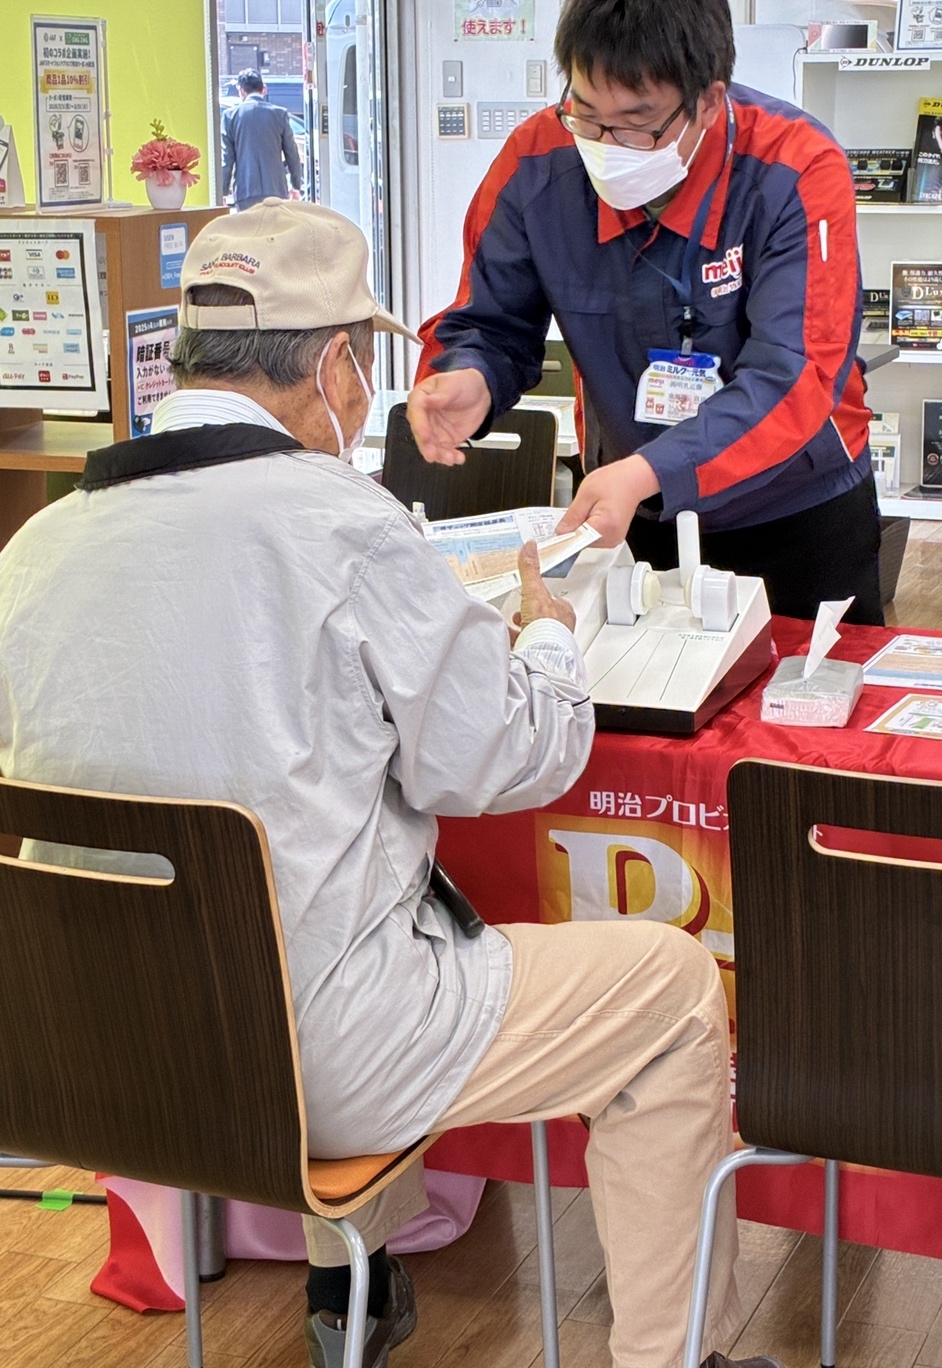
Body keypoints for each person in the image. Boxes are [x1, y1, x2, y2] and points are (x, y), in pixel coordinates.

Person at [0, 198, 781, 1368]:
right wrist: (548, 637)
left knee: (345, 893)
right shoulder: (342, 525)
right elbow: (513, 758)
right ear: (336, 366)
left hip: (80, 1050)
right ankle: (681, 1359)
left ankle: (344, 1284)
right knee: (668, 989)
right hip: (310, 1060)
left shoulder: (35, 547)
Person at [408, 0, 882, 624]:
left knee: (801, 720)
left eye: (636, 122)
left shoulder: (795, 169)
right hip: (630, 508)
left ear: (709, 101)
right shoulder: (539, 161)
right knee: (636, 707)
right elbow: (490, 320)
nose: (604, 141)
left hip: (794, 509)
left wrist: (653, 469)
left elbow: (795, 375)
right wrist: (471, 378)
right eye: (586, 112)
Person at [222, 69, 303, 209]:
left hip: (245, 190)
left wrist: (222, 192)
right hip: (276, 189)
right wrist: (295, 185)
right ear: (264, 89)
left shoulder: (230, 116)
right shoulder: (279, 114)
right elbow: (292, 153)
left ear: (241, 91)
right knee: (276, 229)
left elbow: (227, 158)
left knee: (249, 229)